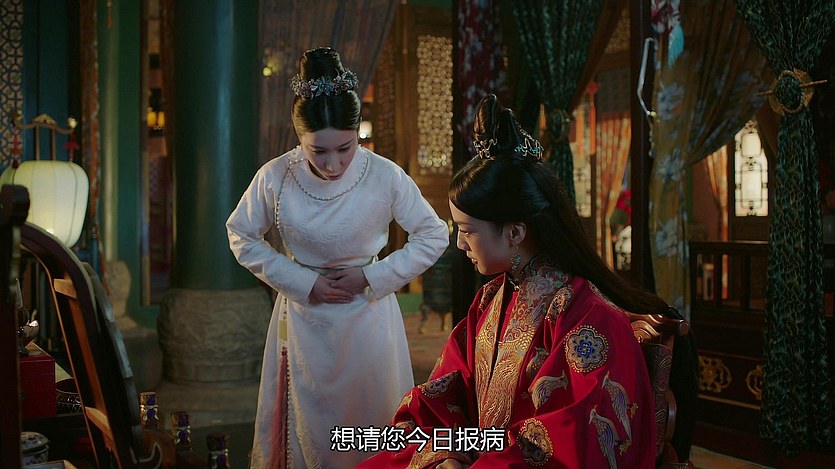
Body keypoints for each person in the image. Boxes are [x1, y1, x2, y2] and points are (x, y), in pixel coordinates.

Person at [358, 94, 697, 468]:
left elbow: (574, 439)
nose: (459, 244)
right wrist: (443, 452)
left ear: (515, 232)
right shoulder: (491, 299)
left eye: (468, 231)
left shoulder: (587, 319)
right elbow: (446, 391)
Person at [226, 47, 449, 468]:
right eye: (319, 151)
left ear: (357, 133)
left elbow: (433, 234)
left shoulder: (384, 174)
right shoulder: (276, 176)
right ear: (299, 139)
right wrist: (303, 281)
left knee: (372, 421)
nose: (333, 164)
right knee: (308, 426)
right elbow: (240, 234)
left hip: (368, 313)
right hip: (304, 315)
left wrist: (372, 277)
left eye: (346, 148)